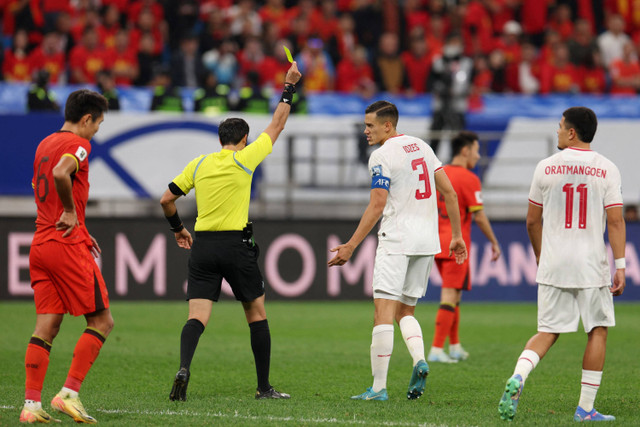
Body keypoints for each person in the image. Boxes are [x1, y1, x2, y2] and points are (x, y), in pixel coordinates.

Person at [160, 61, 302, 401]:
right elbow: (278, 124)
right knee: (256, 313)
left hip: (204, 245)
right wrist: (289, 86)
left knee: (197, 315)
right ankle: (263, 387)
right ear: (243, 139)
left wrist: (179, 229)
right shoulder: (245, 158)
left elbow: (166, 199)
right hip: (236, 245)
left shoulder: (200, 163)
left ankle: (183, 368)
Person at [328, 100, 468, 401]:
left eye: (370, 125)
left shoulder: (381, 155)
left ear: (387, 125)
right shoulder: (422, 147)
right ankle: (419, 359)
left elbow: (378, 203)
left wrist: (351, 245)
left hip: (398, 239)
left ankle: (378, 388)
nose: (365, 131)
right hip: (427, 241)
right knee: (405, 311)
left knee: (383, 312)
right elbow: (450, 193)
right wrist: (456, 235)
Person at [498, 107, 626, 422]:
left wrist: (541, 255)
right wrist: (620, 265)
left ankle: (519, 376)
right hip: (590, 263)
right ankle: (585, 409)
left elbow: (531, 221)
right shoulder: (607, 168)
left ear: (571, 132)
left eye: (559, 127)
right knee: (597, 329)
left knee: (546, 331)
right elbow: (616, 221)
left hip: (554, 261)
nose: (557, 132)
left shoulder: (545, 167)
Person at [20, 89, 112, 424]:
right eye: (97, 124)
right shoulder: (79, 144)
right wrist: (73, 215)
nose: (96, 132)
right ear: (86, 118)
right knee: (102, 321)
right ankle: (69, 394)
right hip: (65, 244)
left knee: (47, 326)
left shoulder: (44, 143)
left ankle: (31, 406)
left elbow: (44, 185)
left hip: (41, 242)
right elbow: (62, 173)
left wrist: (79, 224)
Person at [428, 131, 501, 363]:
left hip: (435, 242)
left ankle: (455, 345)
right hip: (455, 244)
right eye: (476, 150)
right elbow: (478, 217)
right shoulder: (469, 178)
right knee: (449, 295)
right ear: (465, 150)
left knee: (455, 294)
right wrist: (494, 241)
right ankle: (437, 349)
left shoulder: (438, 174)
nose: (478, 156)